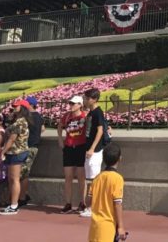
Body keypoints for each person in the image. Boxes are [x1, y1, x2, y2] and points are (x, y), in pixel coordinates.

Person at [88, 143, 127, 242]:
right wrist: (121, 227)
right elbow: (117, 203)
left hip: (94, 227)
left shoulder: (97, 178)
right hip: (108, 227)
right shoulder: (117, 178)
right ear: (119, 159)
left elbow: (89, 200)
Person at [81, 88, 110, 219]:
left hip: (95, 150)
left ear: (94, 99)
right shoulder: (91, 113)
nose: (85, 100)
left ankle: (92, 207)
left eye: (87, 98)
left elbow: (99, 131)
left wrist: (92, 148)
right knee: (91, 178)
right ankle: (92, 206)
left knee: (94, 180)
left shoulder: (98, 112)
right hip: (89, 148)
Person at [0, 101, 31, 215]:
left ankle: (14, 205)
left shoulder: (20, 122)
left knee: (14, 179)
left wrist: (3, 151)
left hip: (17, 152)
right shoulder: (18, 121)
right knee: (12, 179)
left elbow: (12, 139)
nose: (13, 108)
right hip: (15, 152)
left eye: (16, 106)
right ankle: (12, 203)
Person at [57, 94, 88, 214]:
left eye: (73, 103)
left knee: (81, 177)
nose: (70, 105)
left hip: (81, 147)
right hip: (69, 147)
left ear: (80, 105)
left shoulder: (85, 116)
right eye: (70, 103)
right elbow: (60, 126)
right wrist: (60, 139)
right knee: (68, 176)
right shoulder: (67, 116)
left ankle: (83, 202)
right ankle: (68, 203)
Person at [19, 96, 43, 208]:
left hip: (29, 147)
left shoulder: (28, 117)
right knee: (22, 173)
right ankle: (22, 196)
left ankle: (22, 197)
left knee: (23, 173)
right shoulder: (39, 116)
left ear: (31, 105)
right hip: (32, 146)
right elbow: (42, 129)